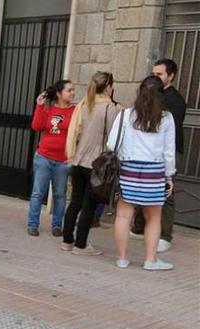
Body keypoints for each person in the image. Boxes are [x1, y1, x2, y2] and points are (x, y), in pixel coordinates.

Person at [112, 76, 176, 271]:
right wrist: (169, 176)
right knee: (154, 218)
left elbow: (111, 143)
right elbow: (168, 151)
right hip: (154, 172)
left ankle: (122, 259)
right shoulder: (166, 118)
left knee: (123, 216)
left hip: (129, 169)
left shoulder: (126, 115)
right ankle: (150, 260)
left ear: (140, 92)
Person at [62, 72, 123, 256]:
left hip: (78, 159)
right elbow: (113, 137)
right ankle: (81, 245)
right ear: (107, 87)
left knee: (75, 202)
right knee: (89, 206)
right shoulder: (110, 108)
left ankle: (67, 241)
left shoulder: (83, 104)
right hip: (96, 164)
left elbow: (77, 132)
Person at [131, 59, 187, 253]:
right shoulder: (152, 95)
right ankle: (139, 227)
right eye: (153, 74)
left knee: (166, 192)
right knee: (140, 187)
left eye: (159, 74)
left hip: (169, 152)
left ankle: (165, 235)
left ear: (170, 76)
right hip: (149, 152)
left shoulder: (175, 100)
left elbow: (168, 134)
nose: (155, 77)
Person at [26, 79, 76, 237]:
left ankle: (57, 225)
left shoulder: (76, 111)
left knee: (60, 194)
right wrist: (39, 106)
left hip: (63, 160)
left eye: (73, 90)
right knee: (37, 193)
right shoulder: (48, 108)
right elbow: (36, 126)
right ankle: (32, 224)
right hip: (44, 157)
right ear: (60, 94)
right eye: (69, 90)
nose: (72, 93)